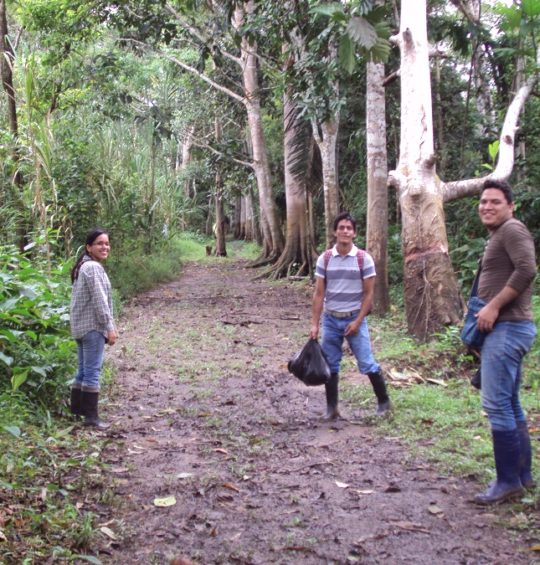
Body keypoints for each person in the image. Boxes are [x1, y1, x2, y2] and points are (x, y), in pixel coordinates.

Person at [473, 179, 537, 505]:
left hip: (509, 327)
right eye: (484, 201)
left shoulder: (512, 229)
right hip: (508, 328)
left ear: (510, 206)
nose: (487, 206)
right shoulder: (500, 234)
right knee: (510, 403)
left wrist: (494, 306)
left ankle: (508, 481)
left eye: (495, 201)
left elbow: (527, 269)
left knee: (497, 405)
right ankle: (523, 476)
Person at [309, 212, 391, 420]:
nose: (345, 231)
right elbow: (319, 293)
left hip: (354, 318)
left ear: (354, 233)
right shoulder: (325, 259)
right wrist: (314, 324)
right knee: (330, 363)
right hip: (330, 319)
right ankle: (332, 409)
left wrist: (357, 321)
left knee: (367, 362)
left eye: (349, 228)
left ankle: (384, 403)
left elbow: (369, 294)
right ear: (335, 232)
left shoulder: (364, 259)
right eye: (341, 228)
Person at [69, 229, 117, 429]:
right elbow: (100, 301)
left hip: (81, 327)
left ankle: (77, 411)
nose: (104, 247)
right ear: (89, 247)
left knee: (83, 370)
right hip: (93, 327)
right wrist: (110, 327)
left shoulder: (83, 266)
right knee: (92, 372)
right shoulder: (93, 268)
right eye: (99, 243)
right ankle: (91, 418)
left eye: (106, 243)